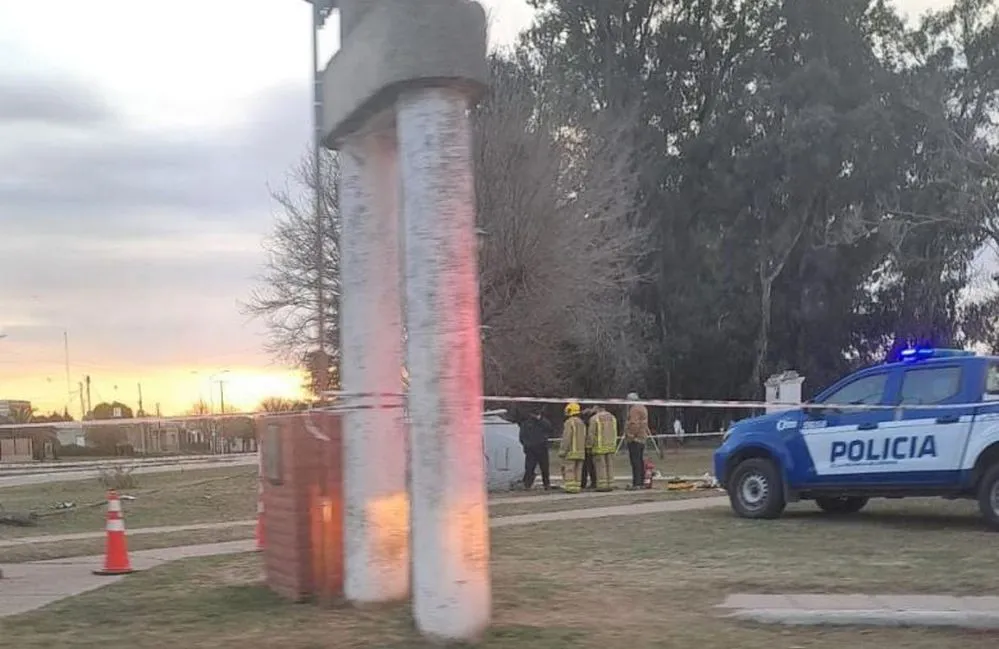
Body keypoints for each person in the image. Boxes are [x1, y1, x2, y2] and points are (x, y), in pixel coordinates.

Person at [517, 408, 553, 490]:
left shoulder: (543, 422)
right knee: (529, 468)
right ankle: (527, 485)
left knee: (545, 468)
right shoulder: (526, 424)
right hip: (531, 450)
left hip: (542, 448)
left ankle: (546, 484)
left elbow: (549, 428)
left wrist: (540, 420)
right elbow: (522, 437)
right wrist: (527, 445)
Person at [587, 405, 618, 492]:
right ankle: (611, 483)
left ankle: (602, 485)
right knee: (610, 466)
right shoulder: (612, 417)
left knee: (601, 467)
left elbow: (591, 434)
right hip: (611, 446)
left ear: (597, 408)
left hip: (599, 447)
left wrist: (589, 446)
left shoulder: (594, 419)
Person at [624, 392, 650, 490]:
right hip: (642, 437)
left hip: (636, 438)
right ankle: (641, 482)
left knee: (635, 462)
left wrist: (631, 436)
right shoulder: (643, 407)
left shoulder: (634, 409)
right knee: (640, 461)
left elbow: (633, 423)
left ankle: (636, 483)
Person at [558, 401, 586, 493]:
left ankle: (570, 487)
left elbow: (566, 437)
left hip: (571, 451)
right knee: (578, 470)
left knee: (569, 470)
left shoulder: (569, 422)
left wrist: (562, 450)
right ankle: (577, 487)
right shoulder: (582, 422)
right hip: (581, 451)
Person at [579, 407, 598, 490]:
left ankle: (585, 483)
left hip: (586, 446)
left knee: (587, 466)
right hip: (588, 446)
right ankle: (593, 482)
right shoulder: (592, 421)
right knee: (590, 466)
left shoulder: (586, 423)